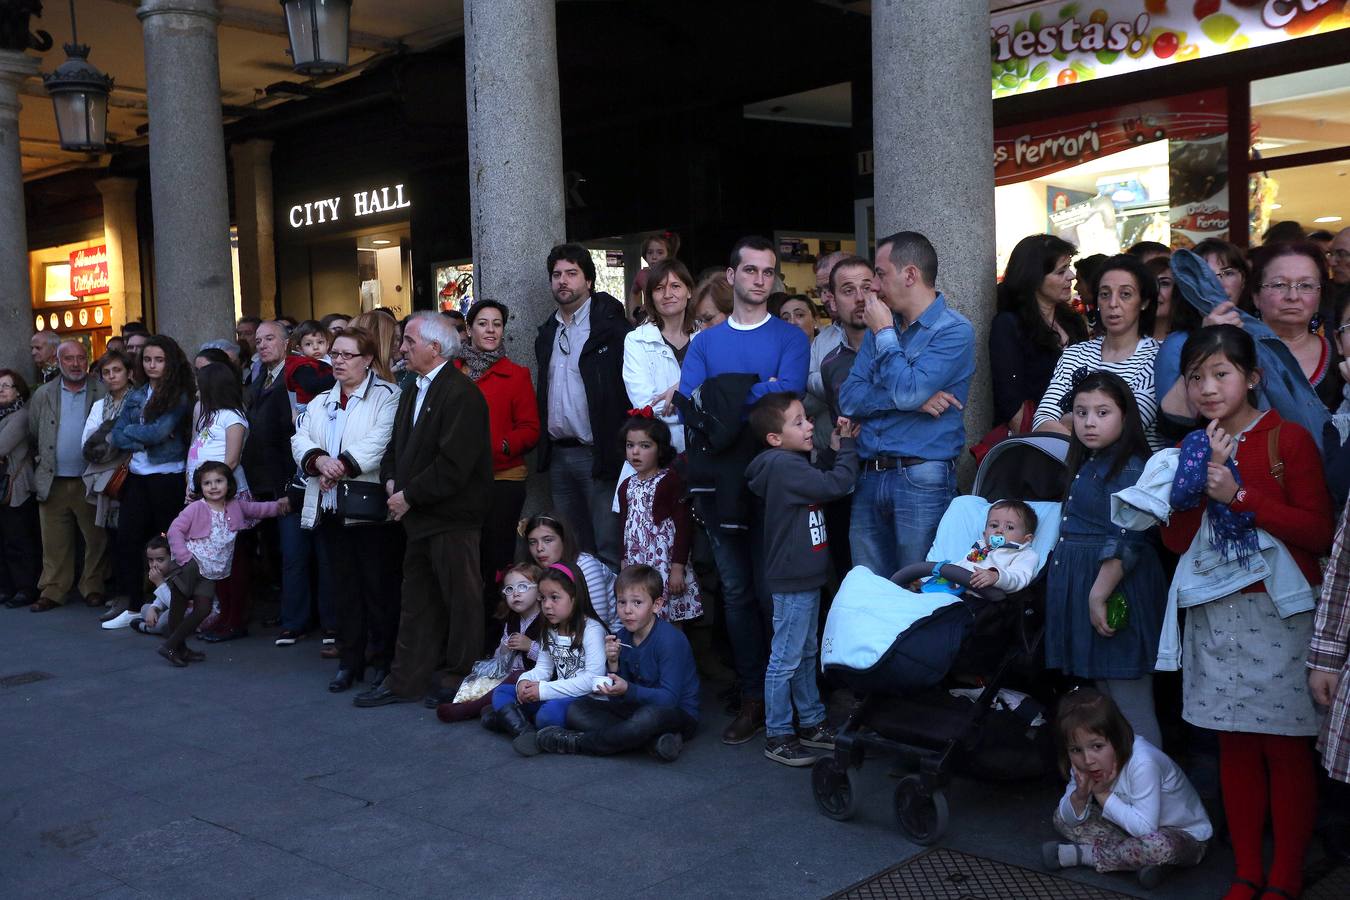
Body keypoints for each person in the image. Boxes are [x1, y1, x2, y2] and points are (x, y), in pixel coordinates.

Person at [1161, 325, 1332, 900]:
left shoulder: (1288, 440)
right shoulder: (1190, 445)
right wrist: (1192, 483)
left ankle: (1284, 874)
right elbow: (1179, 542)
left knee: (1284, 749)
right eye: (1195, 378)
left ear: (1252, 377)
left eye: (1220, 374)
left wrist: (1239, 495)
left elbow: (1320, 532)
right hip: (1214, 611)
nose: (1207, 388)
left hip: (1281, 614)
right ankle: (1246, 872)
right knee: (1232, 745)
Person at [678, 235, 811, 745]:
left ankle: (790, 699)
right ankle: (754, 695)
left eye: (767, 272)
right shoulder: (706, 342)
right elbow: (692, 400)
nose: (760, 280)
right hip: (719, 483)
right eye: (750, 271)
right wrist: (756, 386)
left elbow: (785, 402)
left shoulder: (790, 337)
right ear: (730, 277)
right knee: (735, 592)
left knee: (772, 592)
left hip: (775, 483)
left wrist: (728, 393)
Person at [354, 312, 492, 709]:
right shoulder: (415, 388)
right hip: (417, 515)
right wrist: (393, 482)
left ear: (435, 347)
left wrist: (409, 495)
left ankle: (459, 676)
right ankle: (405, 680)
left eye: (409, 341)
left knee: (461, 601)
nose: (401, 348)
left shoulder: (461, 393)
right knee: (417, 600)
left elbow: (454, 464)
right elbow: (397, 447)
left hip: (451, 517)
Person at [839, 230, 974, 578]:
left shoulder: (954, 330)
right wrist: (910, 401)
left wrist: (885, 334)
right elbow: (849, 398)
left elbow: (907, 392)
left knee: (916, 589)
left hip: (921, 476)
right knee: (868, 592)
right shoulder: (879, 328)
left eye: (880, 275)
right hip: (870, 474)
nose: (874, 289)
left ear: (910, 274)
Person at [1044, 372, 1166, 747]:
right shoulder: (1093, 460)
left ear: (1125, 416)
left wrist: (1099, 594)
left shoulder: (1128, 466)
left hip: (1116, 593)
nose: (1089, 422)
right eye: (1081, 413)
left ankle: (1151, 795)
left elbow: (1127, 535)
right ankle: (1119, 792)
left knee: (1130, 705)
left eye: (1102, 412)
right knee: (1108, 704)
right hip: (1093, 589)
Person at [745, 392, 858, 766]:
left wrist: (829, 450)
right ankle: (778, 733)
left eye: (807, 419)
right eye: (799, 422)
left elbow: (818, 480)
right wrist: (849, 448)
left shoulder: (789, 464)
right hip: (793, 580)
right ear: (774, 439)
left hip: (804, 578)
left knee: (804, 652)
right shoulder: (782, 466)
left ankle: (811, 722)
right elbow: (835, 485)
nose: (809, 425)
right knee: (786, 658)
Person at [292, 327, 400, 693]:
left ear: (367, 359)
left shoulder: (387, 396)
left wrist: (342, 465)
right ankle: (349, 661)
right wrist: (318, 460)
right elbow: (300, 436)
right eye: (334, 354)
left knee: (378, 590)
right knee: (344, 590)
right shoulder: (321, 399)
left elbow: (382, 439)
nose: (336, 361)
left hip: (369, 511)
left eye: (346, 355)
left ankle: (383, 661)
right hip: (330, 505)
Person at [1042, 689, 1211, 889]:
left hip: (1184, 836)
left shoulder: (1142, 762)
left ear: (1117, 738)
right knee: (1062, 817)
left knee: (1157, 847)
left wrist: (1101, 793)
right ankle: (1139, 861)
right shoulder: (1082, 763)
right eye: (1076, 750)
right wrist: (1080, 795)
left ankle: (1086, 855)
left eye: (1097, 747)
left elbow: (1145, 830)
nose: (1088, 760)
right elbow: (1068, 818)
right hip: (1127, 829)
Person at [533, 564, 700, 760]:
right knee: (577, 710)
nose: (627, 610)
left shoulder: (670, 640)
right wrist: (613, 665)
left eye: (637, 603)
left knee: (647, 718)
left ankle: (578, 743)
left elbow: (669, 699)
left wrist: (627, 689)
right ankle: (653, 742)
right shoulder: (622, 636)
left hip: (676, 714)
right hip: (636, 709)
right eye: (622, 602)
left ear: (656, 604)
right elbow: (620, 699)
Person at [534, 242, 632, 567]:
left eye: (571, 274)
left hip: (598, 455)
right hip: (559, 456)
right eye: (557, 274)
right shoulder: (547, 332)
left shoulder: (611, 328)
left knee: (607, 547)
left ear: (588, 280)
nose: (563, 281)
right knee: (571, 550)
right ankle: (579, 618)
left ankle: (615, 618)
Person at [455, 299, 539, 647]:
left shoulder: (516, 374)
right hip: (457, 483)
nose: (490, 330)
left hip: (502, 480)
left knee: (496, 562)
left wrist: (502, 445)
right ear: (469, 329)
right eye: (483, 323)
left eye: (497, 324)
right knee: (463, 563)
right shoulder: (452, 371)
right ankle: (463, 640)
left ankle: (495, 640)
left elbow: (531, 429)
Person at [103, 336, 195, 623]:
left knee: (169, 542)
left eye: (159, 359)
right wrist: (142, 435)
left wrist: (138, 435)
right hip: (137, 475)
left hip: (167, 475)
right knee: (128, 540)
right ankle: (132, 606)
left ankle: (173, 603)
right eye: (147, 359)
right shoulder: (137, 394)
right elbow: (115, 434)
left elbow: (159, 432)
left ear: (170, 361)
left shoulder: (178, 394)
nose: (152, 365)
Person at [240, 320, 320, 646]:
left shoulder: (298, 374)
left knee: (295, 553)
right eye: (258, 340)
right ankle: (293, 611)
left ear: (287, 342)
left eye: (269, 338)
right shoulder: (260, 377)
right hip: (266, 480)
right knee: (278, 551)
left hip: (293, 479)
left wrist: (289, 486)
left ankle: (297, 619)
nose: (262, 345)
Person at [163, 462, 287, 666]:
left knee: (202, 610)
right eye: (207, 483)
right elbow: (174, 531)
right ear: (200, 486)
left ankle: (172, 646)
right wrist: (184, 557)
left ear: (229, 484)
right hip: (190, 564)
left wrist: (282, 506)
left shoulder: (235, 505)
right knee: (179, 608)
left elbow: (258, 509)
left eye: (218, 481)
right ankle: (176, 648)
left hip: (211, 570)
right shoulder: (196, 508)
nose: (213, 487)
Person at [1034, 254, 1162, 449]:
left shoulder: (1157, 357)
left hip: (1132, 477)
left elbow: (1126, 430)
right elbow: (1042, 420)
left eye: (1125, 294)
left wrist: (1069, 420)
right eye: (1105, 294)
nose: (1113, 303)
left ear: (1144, 302)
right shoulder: (1074, 355)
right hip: (1067, 473)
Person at [482, 562, 608, 756]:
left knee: (547, 715)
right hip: (554, 692)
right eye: (543, 598)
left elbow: (592, 679)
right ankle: (524, 732)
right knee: (502, 691)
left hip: (582, 701)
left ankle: (509, 720)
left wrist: (543, 690)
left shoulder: (591, 630)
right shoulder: (549, 628)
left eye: (555, 598)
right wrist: (525, 683)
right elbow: (543, 669)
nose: (547, 605)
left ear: (575, 597)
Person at [27, 341, 108, 613]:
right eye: (69, 359)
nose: (76, 364)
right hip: (53, 479)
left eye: (81, 358)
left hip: (90, 478)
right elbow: (34, 433)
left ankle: (93, 586)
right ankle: (53, 590)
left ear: (88, 360)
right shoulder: (44, 394)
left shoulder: (101, 389)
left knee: (95, 538)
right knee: (54, 541)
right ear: (58, 362)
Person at [990, 235, 1089, 437]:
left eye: (1068, 267)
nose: (1071, 276)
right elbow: (1010, 403)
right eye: (1061, 271)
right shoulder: (1009, 325)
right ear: (1034, 278)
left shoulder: (1074, 322)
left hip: (1082, 435)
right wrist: (1045, 441)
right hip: (1036, 441)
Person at [617, 413, 701, 623]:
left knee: (669, 620)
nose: (635, 452)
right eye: (630, 445)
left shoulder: (670, 480)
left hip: (664, 564)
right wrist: (624, 562)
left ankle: (674, 655)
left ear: (660, 449)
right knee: (642, 618)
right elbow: (623, 527)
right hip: (638, 564)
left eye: (645, 446)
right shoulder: (626, 485)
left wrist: (677, 567)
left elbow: (683, 525)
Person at [436, 562, 544, 723]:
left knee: (517, 676)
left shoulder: (546, 620)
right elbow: (499, 659)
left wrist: (530, 647)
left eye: (523, 587)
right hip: (508, 677)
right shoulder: (513, 620)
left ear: (539, 592)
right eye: (509, 589)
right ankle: (479, 705)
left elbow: (556, 657)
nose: (515, 593)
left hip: (535, 680)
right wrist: (504, 649)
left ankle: (468, 709)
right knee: (485, 681)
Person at [622, 258, 697, 454]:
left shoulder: (706, 336)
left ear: (689, 291)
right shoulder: (636, 340)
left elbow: (719, 393)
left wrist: (679, 392)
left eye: (675, 286)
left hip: (706, 447)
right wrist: (696, 401)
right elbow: (646, 405)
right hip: (662, 449)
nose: (667, 294)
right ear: (650, 297)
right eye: (659, 288)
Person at [524, 512, 618, 634]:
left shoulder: (585, 566)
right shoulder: (538, 571)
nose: (539, 548)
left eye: (548, 540)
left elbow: (598, 623)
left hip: (609, 638)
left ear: (563, 539)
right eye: (533, 542)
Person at [80, 351, 133, 540]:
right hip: (106, 474)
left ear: (129, 373)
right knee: (112, 537)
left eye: (117, 370)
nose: (112, 376)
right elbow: (87, 441)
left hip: (134, 473)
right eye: (106, 372)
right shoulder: (99, 405)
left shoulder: (139, 401)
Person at [0, 370, 40, 611]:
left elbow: (2, 446)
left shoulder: (21, 416)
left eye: (6, 386)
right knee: (4, 540)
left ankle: (26, 588)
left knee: (19, 539)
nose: (1, 390)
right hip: (3, 486)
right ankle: (7, 586)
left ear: (18, 390)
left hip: (17, 487)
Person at [941, 500, 1039, 594]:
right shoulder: (980, 547)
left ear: (1026, 539)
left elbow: (1019, 578)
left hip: (985, 600)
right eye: (994, 525)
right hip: (957, 591)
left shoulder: (1025, 554)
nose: (999, 531)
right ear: (985, 534)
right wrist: (948, 571)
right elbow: (964, 564)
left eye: (1010, 527)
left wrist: (997, 577)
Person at [282, 321, 336, 417]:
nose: (315, 347)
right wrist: (336, 376)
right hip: (307, 406)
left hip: (323, 402)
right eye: (308, 344)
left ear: (327, 344)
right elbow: (312, 386)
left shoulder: (328, 359)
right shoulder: (302, 366)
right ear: (300, 349)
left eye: (320, 342)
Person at [1145, 255, 1174, 342]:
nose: (1155, 290)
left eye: (1164, 283)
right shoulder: (1124, 339)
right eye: (1150, 283)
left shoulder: (1191, 341)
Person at [236, 316, 262, 385]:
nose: (242, 338)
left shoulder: (265, 362)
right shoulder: (238, 362)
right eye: (239, 334)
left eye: (248, 333)